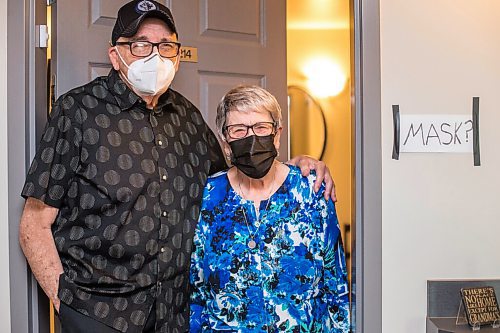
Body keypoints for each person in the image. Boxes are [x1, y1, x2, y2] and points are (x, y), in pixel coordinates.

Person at [18, 1, 336, 333]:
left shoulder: (188, 119)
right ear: (116, 55)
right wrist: (66, 303)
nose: (154, 55)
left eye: (166, 45)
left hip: (177, 314)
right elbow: (33, 225)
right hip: (100, 313)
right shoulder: (77, 112)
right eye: (141, 44)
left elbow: (237, 178)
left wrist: (297, 165)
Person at [190, 85, 350, 332]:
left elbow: (335, 285)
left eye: (261, 127)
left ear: (277, 135)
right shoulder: (207, 195)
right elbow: (196, 291)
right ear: (225, 142)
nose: (251, 138)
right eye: (238, 130)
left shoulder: (312, 191)